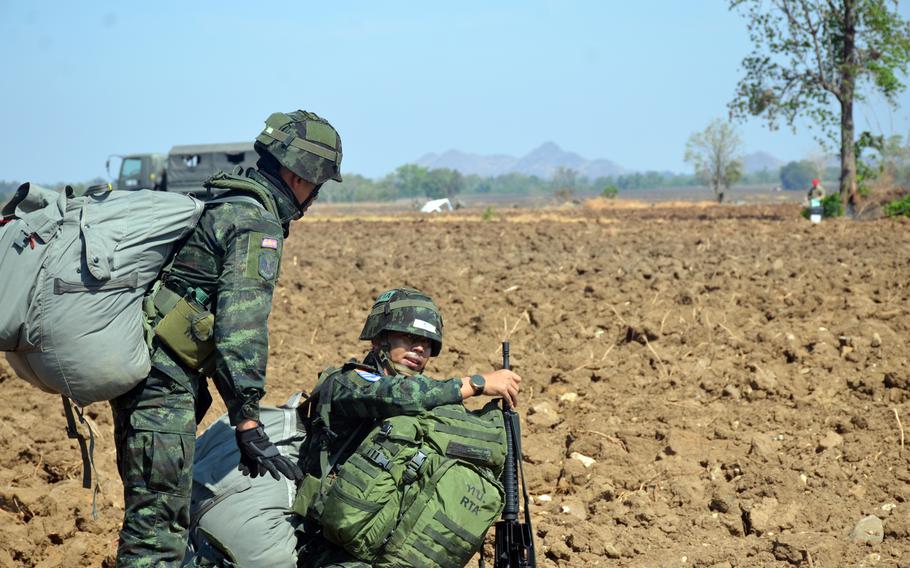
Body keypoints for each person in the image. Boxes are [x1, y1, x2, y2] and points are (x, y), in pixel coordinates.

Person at [110, 110, 343, 567]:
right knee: (156, 530)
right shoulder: (257, 223)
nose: (315, 198)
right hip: (162, 388)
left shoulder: (224, 199)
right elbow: (239, 328)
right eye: (317, 185)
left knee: (155, 516)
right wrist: (249, 421)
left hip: (149, 374)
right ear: (298, 176)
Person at [296, 287, 522, 568]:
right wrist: (476, 383)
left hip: (390, 551)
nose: (419, 348)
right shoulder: (346, 382)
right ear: (380, 337)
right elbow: (394, 395)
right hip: (329, 549)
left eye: (427, 343)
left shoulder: (429, 405)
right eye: (410, 337)